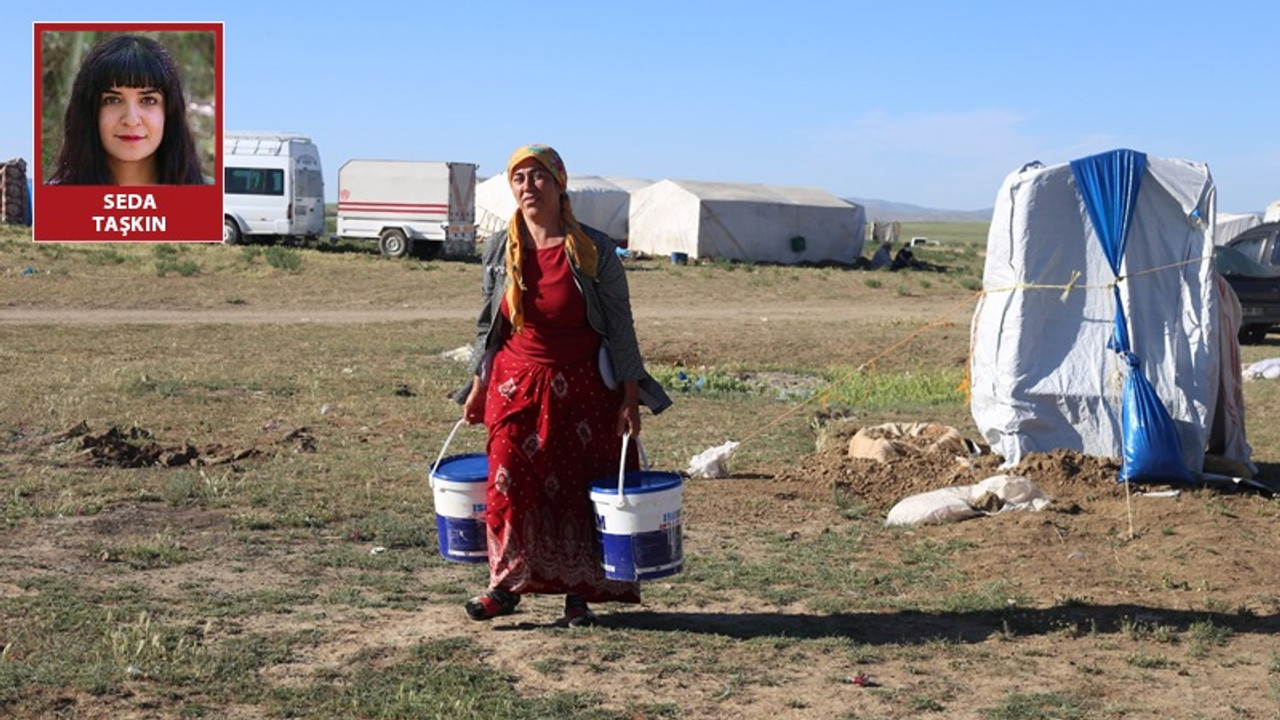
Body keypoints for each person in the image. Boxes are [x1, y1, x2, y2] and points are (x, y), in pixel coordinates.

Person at [460, 144, 672, 627]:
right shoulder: (499, 249)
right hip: (516, 383)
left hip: (584, 385)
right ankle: (505, 583)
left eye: (539, 178)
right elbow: (489, 326)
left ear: (559, 184)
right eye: (519, 179)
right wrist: (477, 384)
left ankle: (579, 594)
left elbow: (620, 326)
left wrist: (630, 396)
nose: (529, 187)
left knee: (581, 487)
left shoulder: (592, 249)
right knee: (507, 479)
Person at [48, 34, 205, 186]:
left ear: (169, 112)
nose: (131, 120)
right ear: (90, 111)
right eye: (113, 100)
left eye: (148, 100)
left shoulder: (210, 201)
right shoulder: (48, 202)